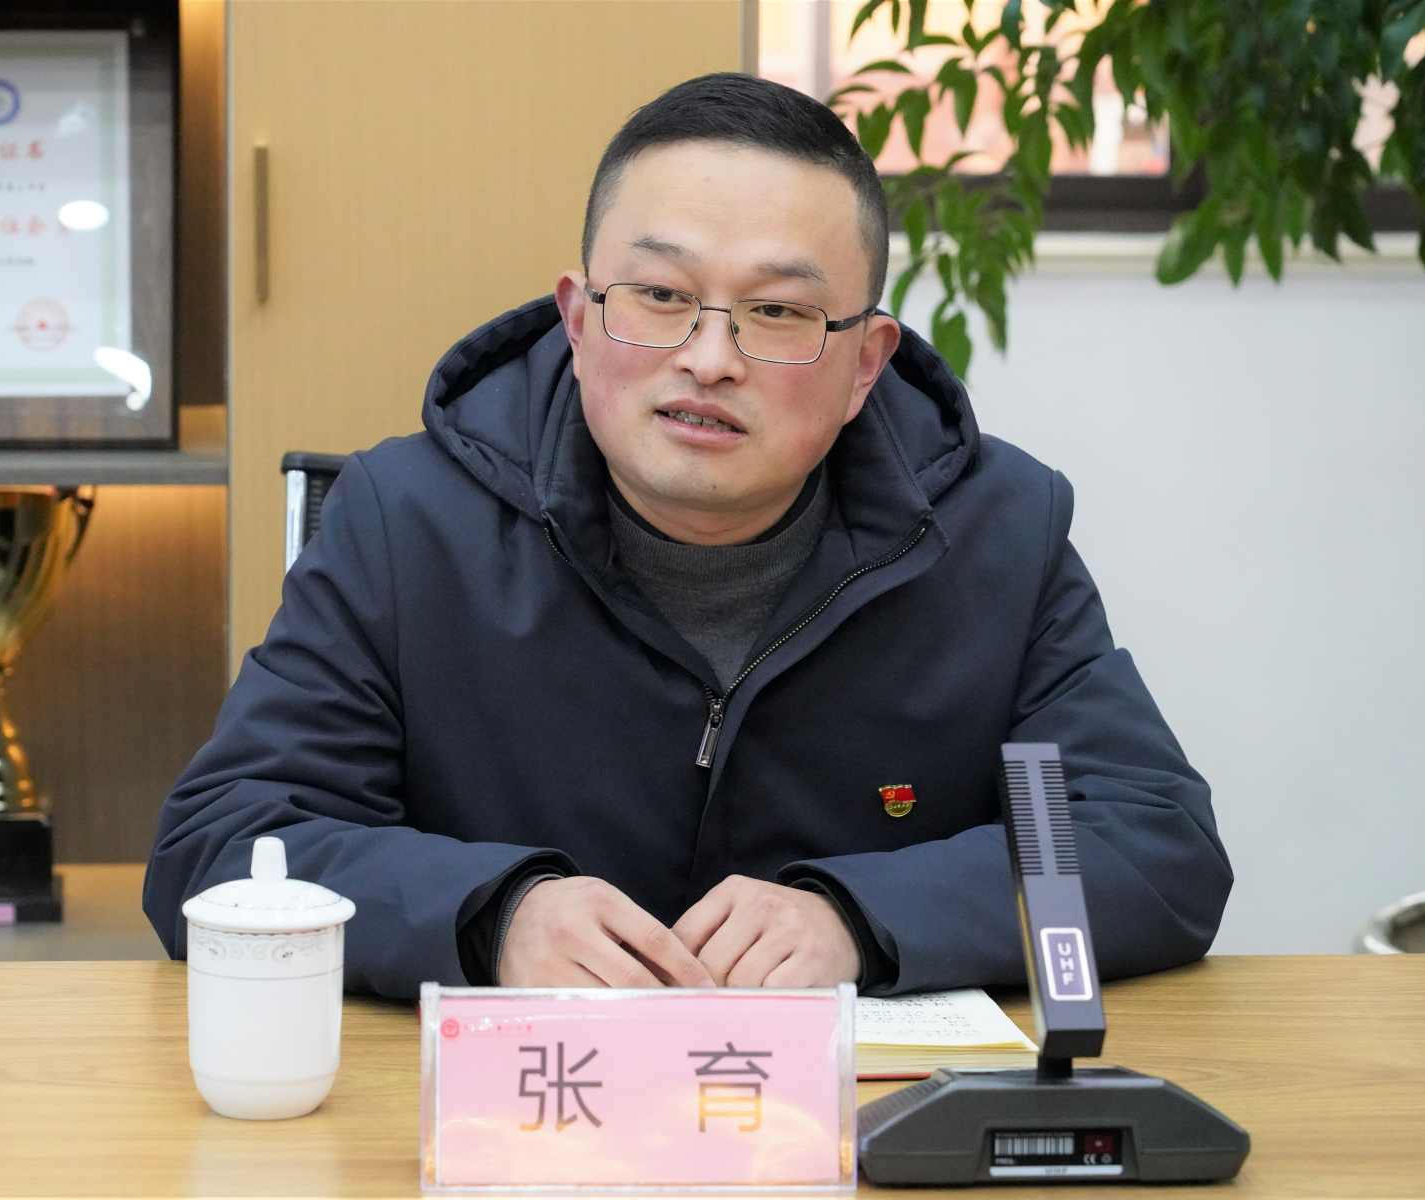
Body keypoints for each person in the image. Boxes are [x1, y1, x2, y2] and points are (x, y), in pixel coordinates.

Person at [144, 73, 1231, 999]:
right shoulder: (404, 522)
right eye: (659, 295)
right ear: (577, 317)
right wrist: (490, 916)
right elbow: (223, 842)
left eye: (776, 312)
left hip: (848, 1130)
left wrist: (861, 920)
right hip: (498, 1122)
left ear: (866, 362)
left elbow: (1154, 844)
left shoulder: (997, 534)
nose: (708, 359)